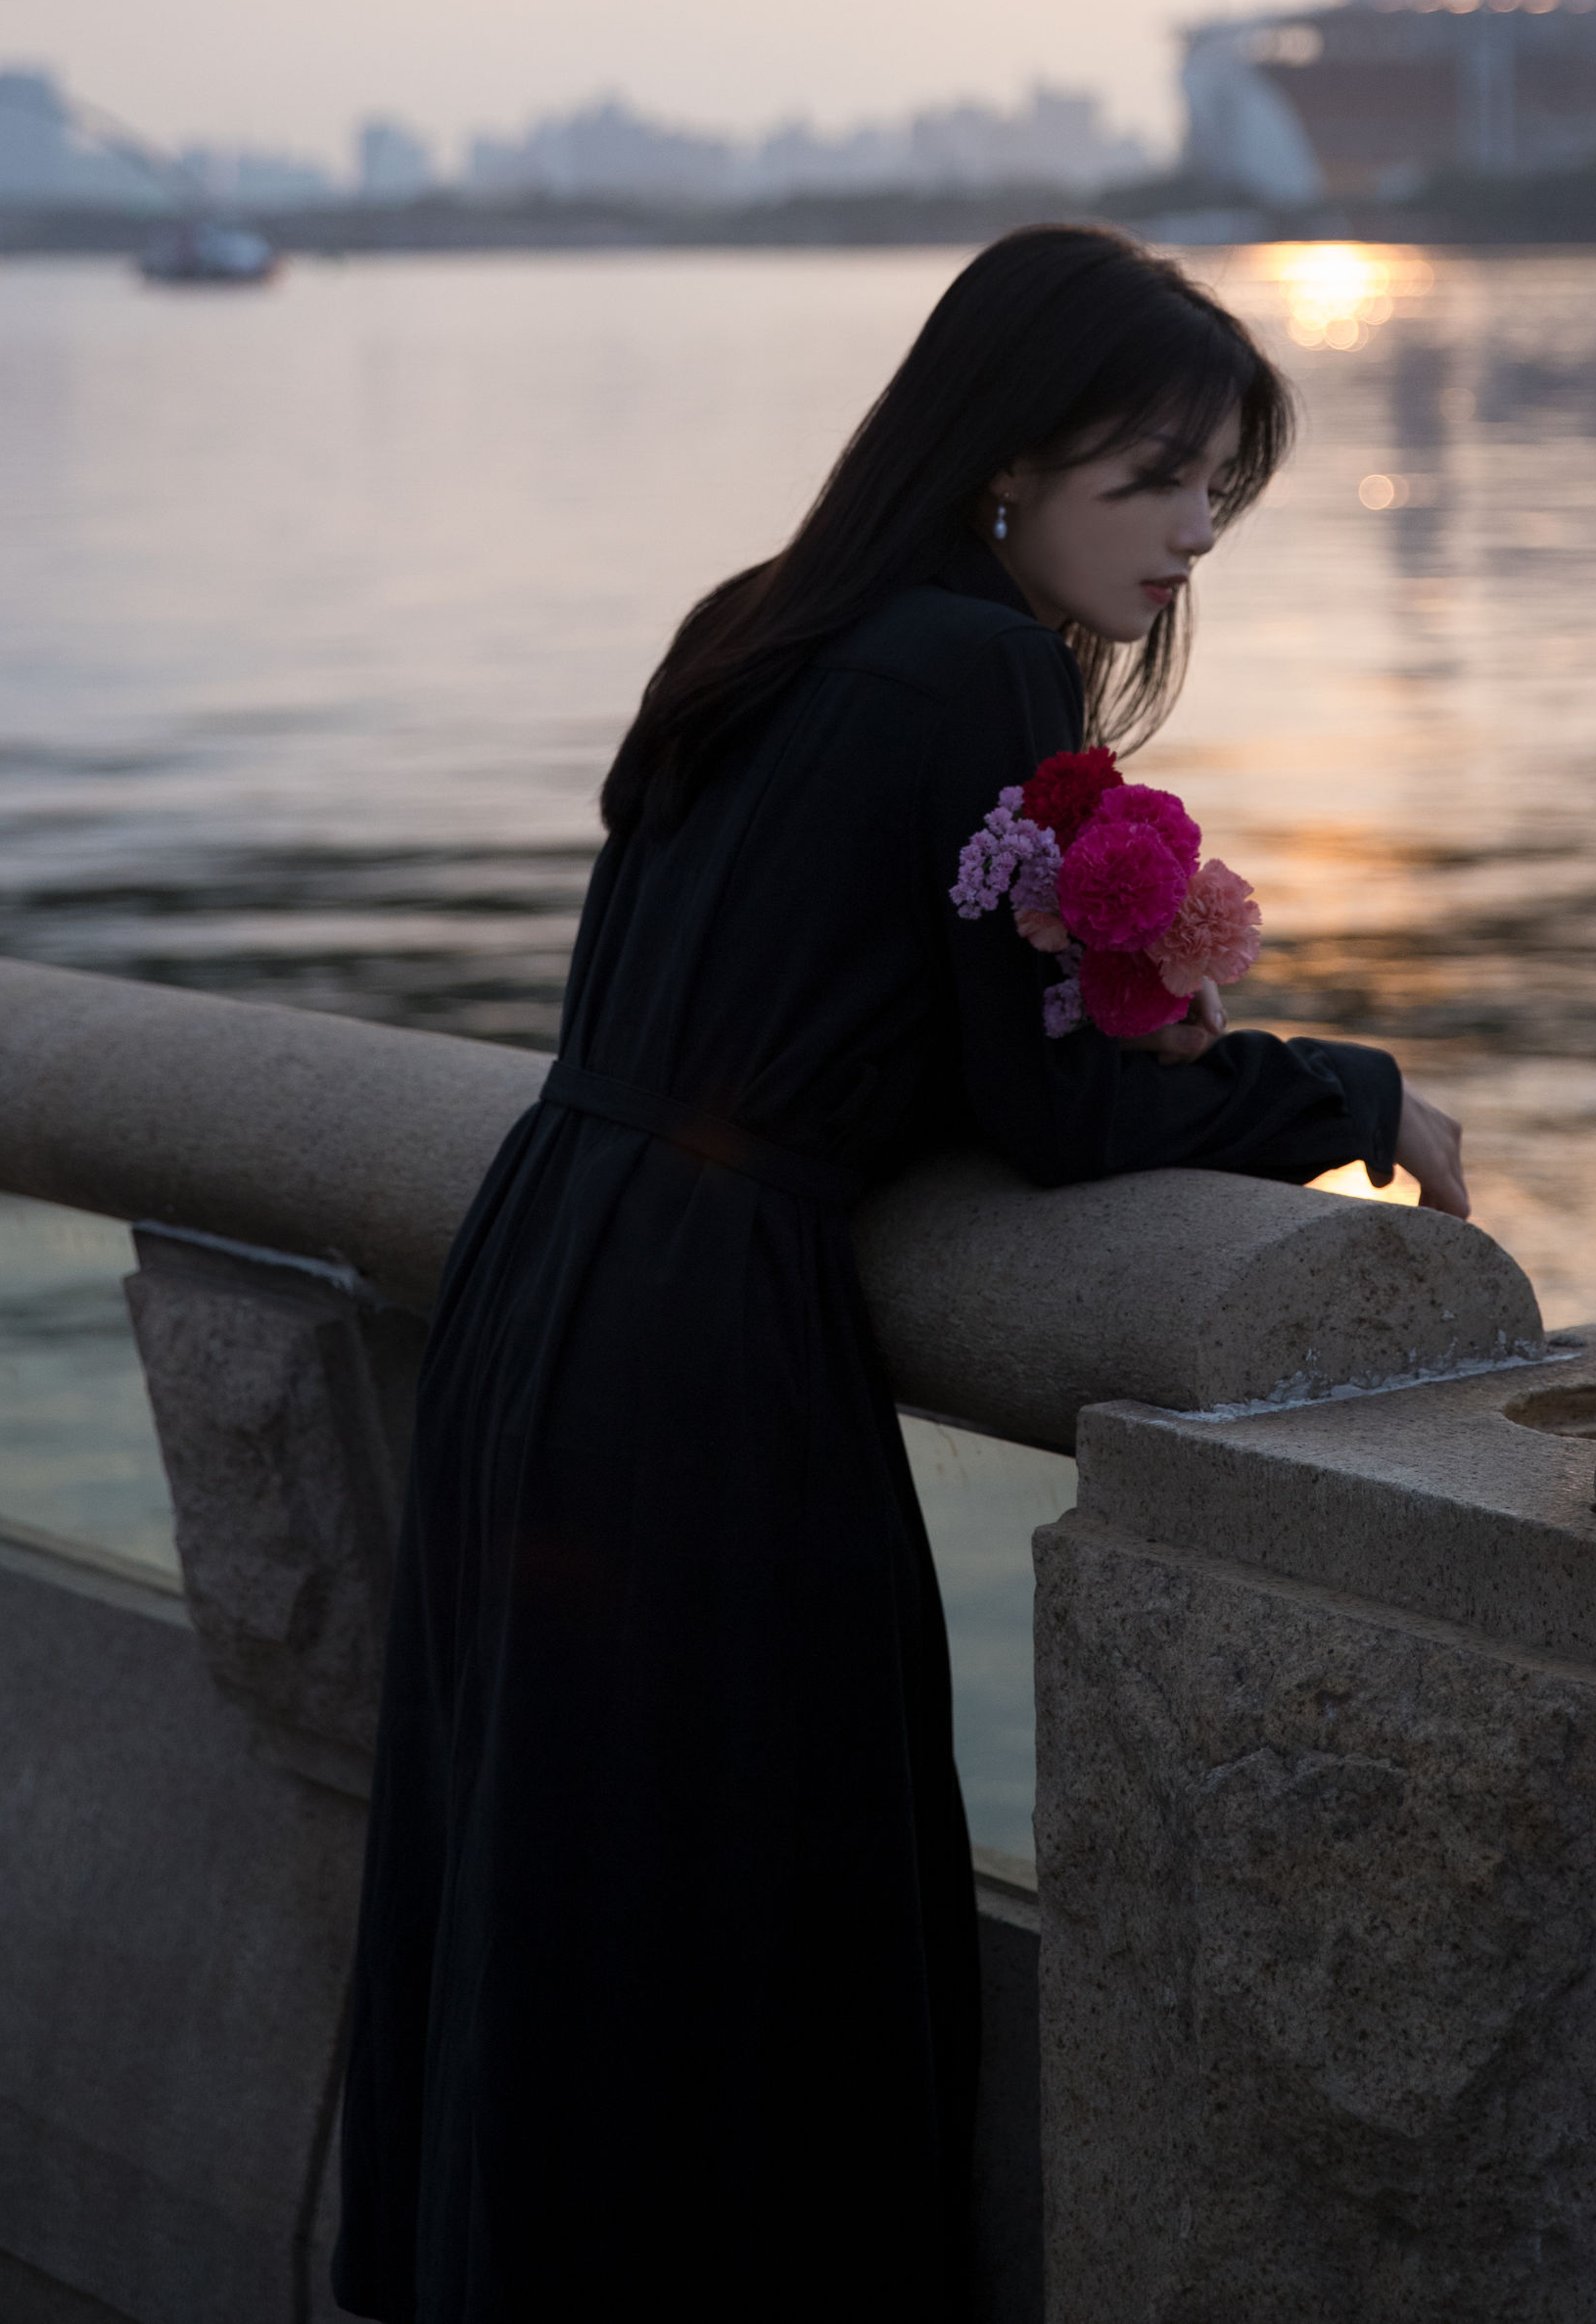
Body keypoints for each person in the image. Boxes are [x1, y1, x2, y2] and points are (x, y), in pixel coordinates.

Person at [331, 223, 1469, 2323]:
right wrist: (1347, 1092)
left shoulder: (765, 625)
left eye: (1218, 486)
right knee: (754, 1860)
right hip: (701, 1337)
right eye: (1153, 478)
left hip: (555, 1252)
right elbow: (1051, 1116)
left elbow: (836, 1014)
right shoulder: (975, 673)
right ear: (1004, 465)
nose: (1195, 534)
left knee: (573, 1856)